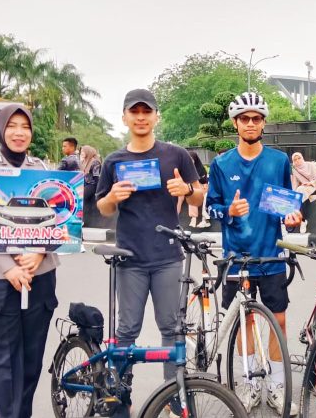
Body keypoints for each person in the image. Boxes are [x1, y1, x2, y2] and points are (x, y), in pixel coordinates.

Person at [95, 89, 203, 404]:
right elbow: (103, 208)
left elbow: (198, 196)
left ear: (157, 116)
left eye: (147, 111)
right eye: (135, 112)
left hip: (168, 256)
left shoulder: (177, 154)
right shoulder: (114, 161)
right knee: (127, 330)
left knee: (171, 330)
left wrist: (187, 189)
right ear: (126, 117)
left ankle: (173, 400)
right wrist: (113, 197)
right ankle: (119, 395)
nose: (141, 117)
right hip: (129, 257)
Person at [206, 92, 302, 416]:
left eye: (256, 118)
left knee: (279, 320)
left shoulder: (279, 161)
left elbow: (288, 207)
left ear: (263, 123)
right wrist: (229, 211)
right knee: (245, 321)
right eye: (244, 118)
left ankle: (275, 382)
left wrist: (294, 217)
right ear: (236, 123)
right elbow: (211, 210)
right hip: (237, 258)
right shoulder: (221, 164)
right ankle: (247, 381)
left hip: (271, 254)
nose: (250, 123)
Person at [0, 104, 58, 418]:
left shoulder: (42, 169)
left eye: (25, 126)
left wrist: (40, 251)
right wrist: (8, 267)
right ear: (1, 129)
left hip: (40, 275)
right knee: (5, 360)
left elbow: (59, 219)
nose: (19, 132)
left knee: (32, 359)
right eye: (12, 126)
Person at [181, 151, 210, 228]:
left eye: (192, 159)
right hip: (189, 187)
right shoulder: (185, 168)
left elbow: (204, 180)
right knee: (191, 194)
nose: (190, 161)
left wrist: (204, 184)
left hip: (200, 187)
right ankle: (193, 218)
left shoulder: (200, 168)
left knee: (197, 193)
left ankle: (199, 219)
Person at [79, 145, 102, 228]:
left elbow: (96, 176)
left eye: (83, 151)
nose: (81, 153)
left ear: (88, 152)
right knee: (86, 203)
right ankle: (85, 221)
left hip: (92, 185)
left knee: (83, 200)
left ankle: (84, 220)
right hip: (85, 184)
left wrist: (98, 190)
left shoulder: (95, 162)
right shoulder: (85, 161)